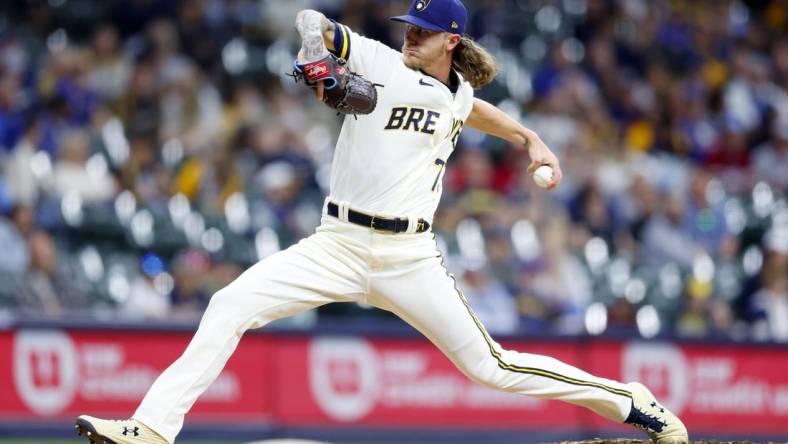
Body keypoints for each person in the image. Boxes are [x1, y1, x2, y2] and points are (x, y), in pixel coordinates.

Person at [76, 1, 688, 443]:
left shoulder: (454, 95)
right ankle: (152, 429)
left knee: (492, 367)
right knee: (229, 305)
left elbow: (475, 110)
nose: (410, 38)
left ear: (451, 42)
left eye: (422, 32)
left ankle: (628, 402)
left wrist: (529, 137)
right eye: (409, 28)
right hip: (336, 244)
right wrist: (316, 51)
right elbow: (312, 21)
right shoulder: (381, 60)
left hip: (409, 259)